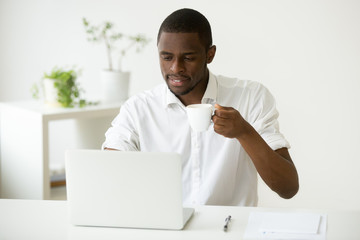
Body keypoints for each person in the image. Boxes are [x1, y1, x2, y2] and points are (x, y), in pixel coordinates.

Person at [102, 8, 299, 206]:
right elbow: (107, 174)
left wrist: (245, 132)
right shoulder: (138, 109)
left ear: (209, 54)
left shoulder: (251, 96)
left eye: (188, 58)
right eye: (167, 57)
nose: (176, 68)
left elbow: (288, 187)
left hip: (231, 232)